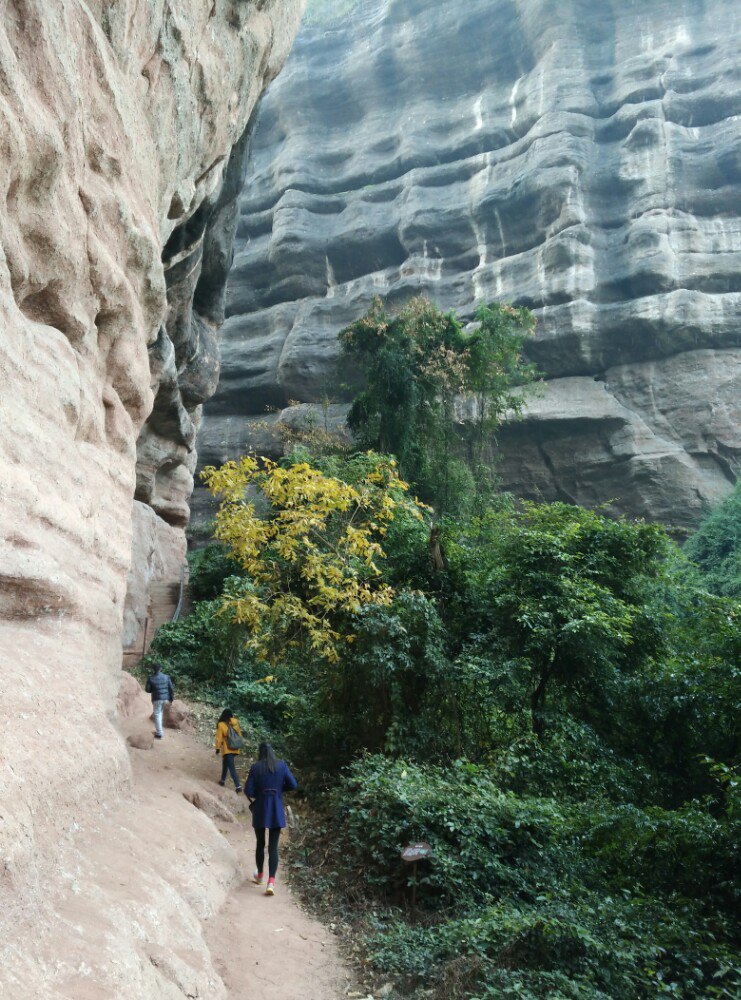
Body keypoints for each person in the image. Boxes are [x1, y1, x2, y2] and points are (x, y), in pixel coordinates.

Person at [245, 742, 297, 896]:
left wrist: (260, 793)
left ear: (260, 753)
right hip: (276, 809)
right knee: (273, 847)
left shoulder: (255, 767)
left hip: (260, 809)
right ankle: (271, 883)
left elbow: (248, 790)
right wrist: (279, 790)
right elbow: (293, 784)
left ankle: (260, 876)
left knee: (260, 844)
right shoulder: (282, 766)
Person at [214, 708, 243, 793]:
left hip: (228, 748)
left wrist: (217, 748)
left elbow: (219, 738)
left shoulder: (221, 724)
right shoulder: (235, 723)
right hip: (236, 748)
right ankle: (222, 780)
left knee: (231, 767)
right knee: (225, 763)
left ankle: (238, 785)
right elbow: (240, 735)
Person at [145, 662, 174, 739]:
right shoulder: (167, 677)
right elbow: (171, 688)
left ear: (153, 669)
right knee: (160, 713)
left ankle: (159, 733)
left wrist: (153, 688)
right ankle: (159, 731)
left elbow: (147, 690)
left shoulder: (150, 678)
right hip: (165, 699)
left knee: (157, 714)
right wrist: (171, 699)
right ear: (161, 669)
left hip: (157, 699)